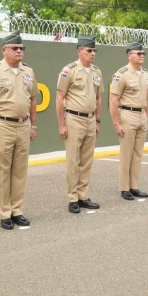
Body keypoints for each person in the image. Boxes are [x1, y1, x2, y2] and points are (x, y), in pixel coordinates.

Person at [0, 31, 39, 230]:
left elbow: (33, 100)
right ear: (4, 50)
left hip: (23, 125)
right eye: (15, 48)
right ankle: (5, 213)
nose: (19, 51)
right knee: (3, 171)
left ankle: (17, 210)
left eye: (21, 48)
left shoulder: (28, 71)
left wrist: (33, 125)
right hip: (2, 125)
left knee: (20, 170)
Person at [56, 36, 104, 214]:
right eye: (89, 50)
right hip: (74, 119)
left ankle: (83, 196)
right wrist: (62, 124)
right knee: (73, 161)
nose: (93, 54)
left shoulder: (97, 72)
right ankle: (72, 198)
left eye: (94, 51)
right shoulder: (68, 71)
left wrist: (97, 121)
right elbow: (59, 98)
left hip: (90, 120)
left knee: (86, 161)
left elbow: (98, 98)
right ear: (79, 51)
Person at [109, 40, 148, 201]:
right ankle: (124, 188)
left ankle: (134, 186)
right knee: (126, 154)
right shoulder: (121, 74)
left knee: (137, 153)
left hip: (141, 116)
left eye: (143, 53)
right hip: (127, 115)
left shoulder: (146, 74)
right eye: (138, 53)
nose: (142, 56)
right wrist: (116, 123)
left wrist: (146, 118)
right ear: (129, 55)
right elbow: (113, 100)